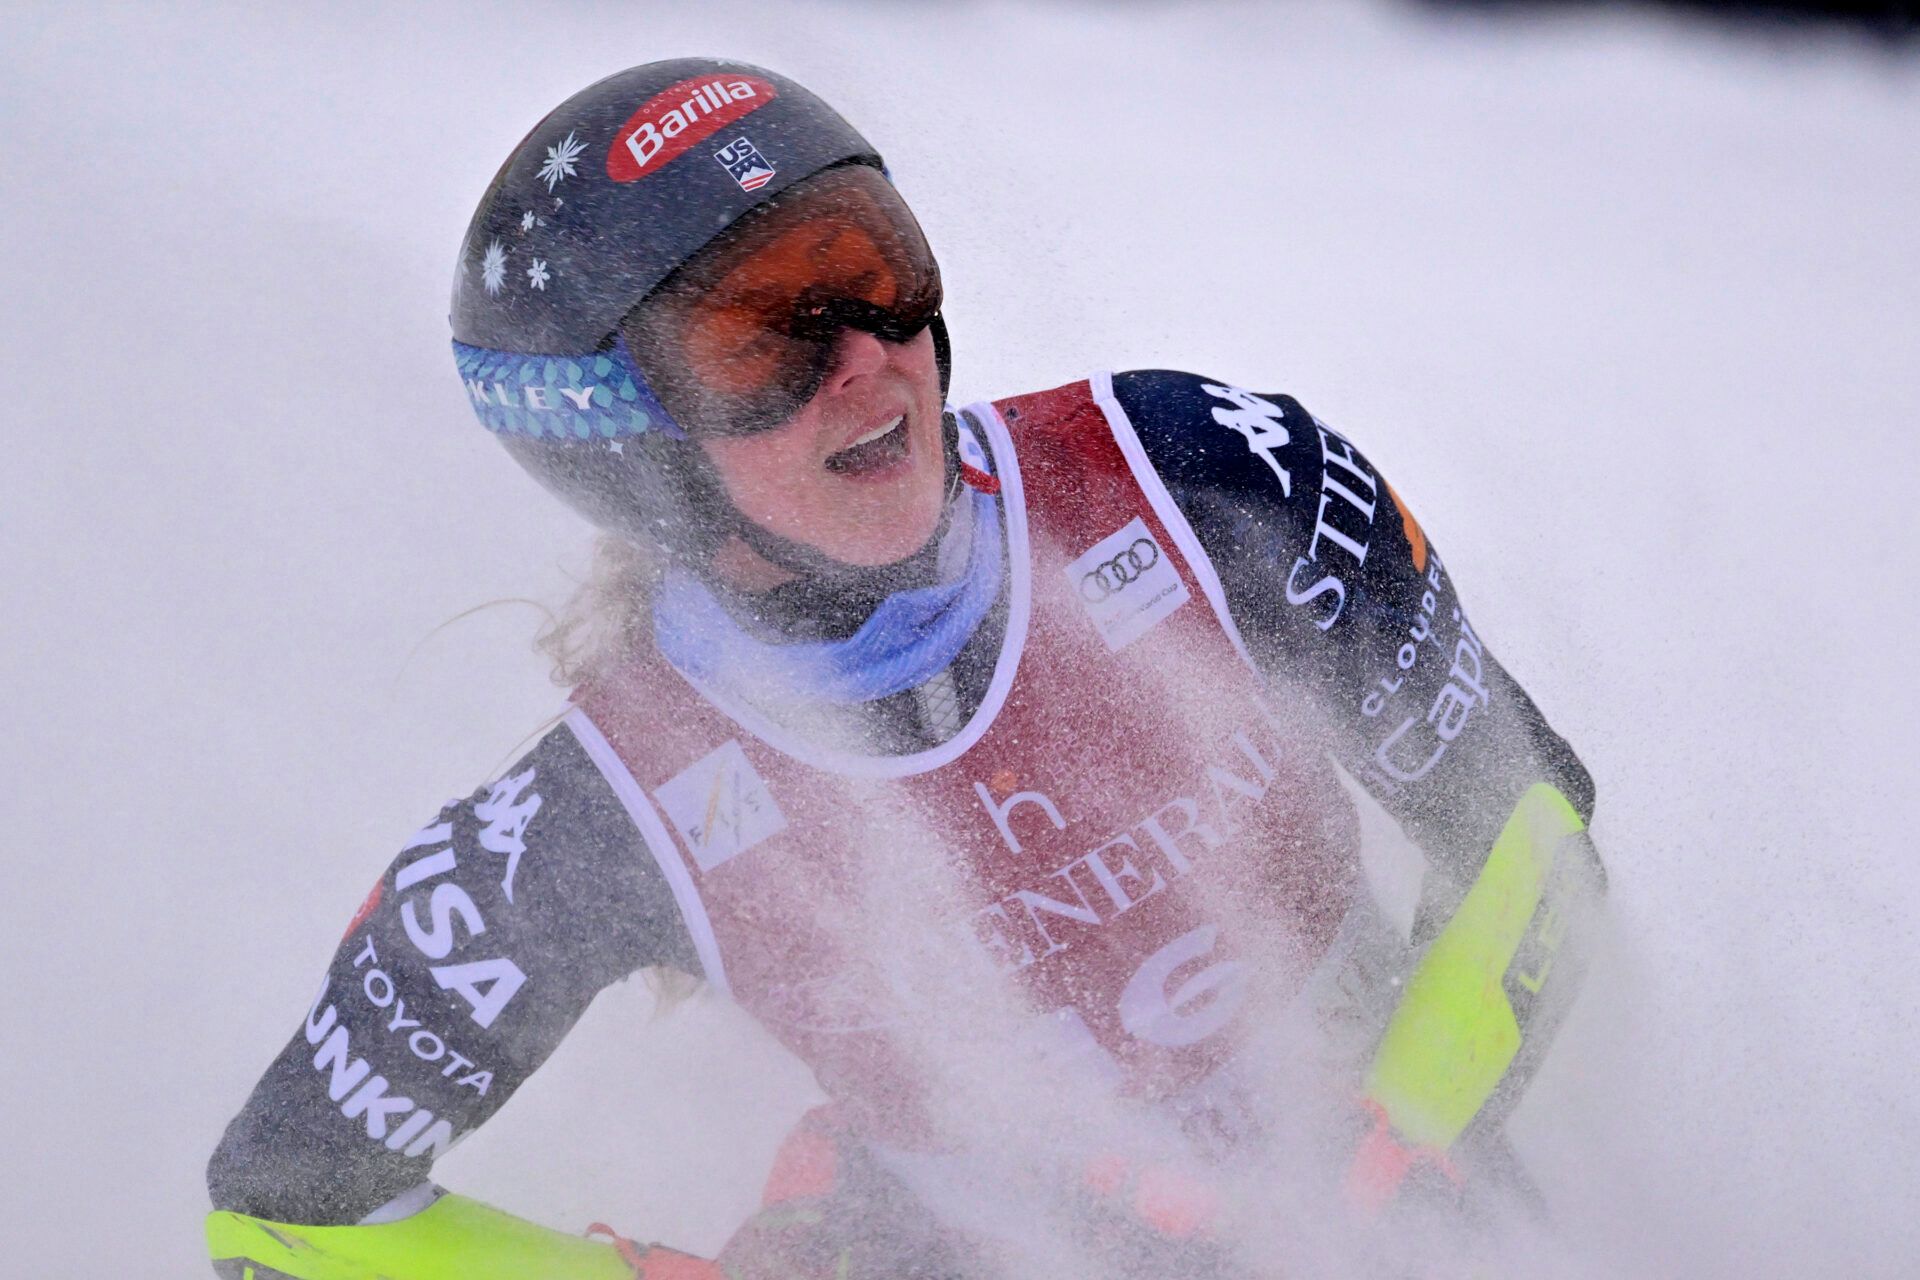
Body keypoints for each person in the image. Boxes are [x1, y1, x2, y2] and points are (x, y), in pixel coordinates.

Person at [204, 58, 1604, 1279]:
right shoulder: (603, 815)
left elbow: (1534, 832)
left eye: (873, 274)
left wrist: (1386, 1151)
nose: (871, 368)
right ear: (623, 445)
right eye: (763, 338)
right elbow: (285, 1221)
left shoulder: (1201, 478)